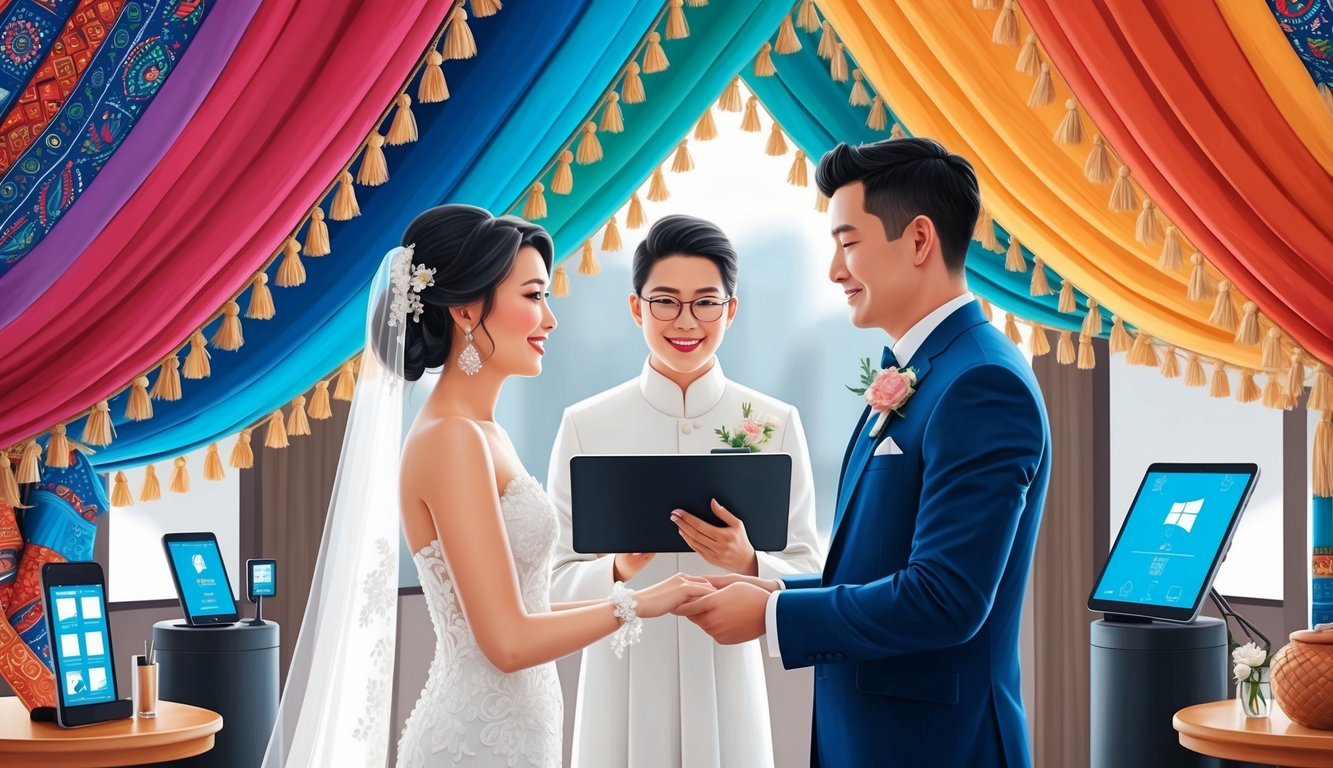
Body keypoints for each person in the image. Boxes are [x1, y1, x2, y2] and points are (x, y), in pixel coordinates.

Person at [260, 205, 713, 768]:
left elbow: (519, 599)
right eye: (533, 296)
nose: (549, 320)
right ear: (467, 310)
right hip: (473, 743)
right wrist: (642, 604)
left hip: (518, 732)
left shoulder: (485, 432)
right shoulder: (451, 440)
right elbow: (506, 642)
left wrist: (616, 572)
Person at [676, 138, 1051, 767]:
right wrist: (760, 576)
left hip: (937, 747)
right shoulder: (921, 369)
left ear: (919, 240)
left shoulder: (983, 383)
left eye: (848, 242)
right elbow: (876, 565)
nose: (833, 270)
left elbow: (944, 598)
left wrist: (772, 617)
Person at [547, 214, 822, 768]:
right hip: (621, 682)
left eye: (706, 302)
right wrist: (617, 570)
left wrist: (749, 562)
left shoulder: (773, 422)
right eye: (666, 301)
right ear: (636, 308)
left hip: (725, 678)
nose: (686, 320)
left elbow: (809, 568)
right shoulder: (586, 424)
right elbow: (550, 584)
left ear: (731, 309)